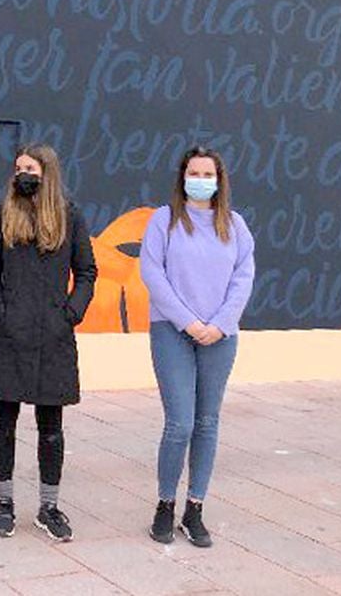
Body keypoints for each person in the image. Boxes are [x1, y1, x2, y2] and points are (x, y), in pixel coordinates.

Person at [0, 144, 96, 542]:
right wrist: (0, 312)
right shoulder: (2, 215)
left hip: (54, 335)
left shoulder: (70, 216)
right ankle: (5, 503)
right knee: (4, 423)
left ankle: (49, 507)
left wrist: (70, 314)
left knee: (51, 427)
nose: (21, 174)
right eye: (18, 168)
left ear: (47, 172)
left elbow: (86, 271)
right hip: (10, 334)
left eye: (29, 168)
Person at [139, 146, 255, 548]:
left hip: (220, 338)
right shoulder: (164, 221)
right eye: (195, 172)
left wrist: (219, 325)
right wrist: (187, 321)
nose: (201, 179)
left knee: (207, 422)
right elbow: (152, 273)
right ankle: (165, 504)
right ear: (182, 177)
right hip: (172, 332)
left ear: (219, 180)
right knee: (180, 423)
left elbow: (243, 277)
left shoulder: (235, 226)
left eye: (209, 173)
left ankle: (195, 507)